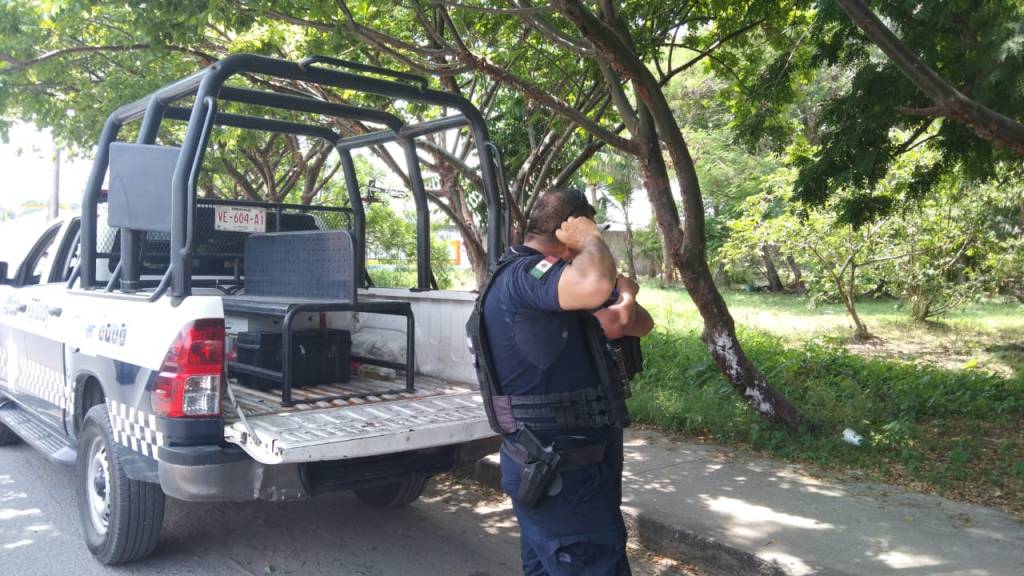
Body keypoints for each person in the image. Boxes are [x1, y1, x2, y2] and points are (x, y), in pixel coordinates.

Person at [479, 188, 654, 575]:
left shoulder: (559, 285)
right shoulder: (530, 275)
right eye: (589, 227)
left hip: (564, 469)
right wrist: (591, 240)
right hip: (561, 472)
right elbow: (598, 286)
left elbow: (636, 323)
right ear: (572, 227)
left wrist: (624, 299)